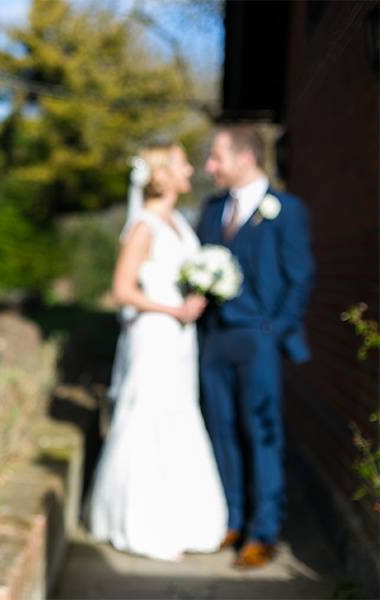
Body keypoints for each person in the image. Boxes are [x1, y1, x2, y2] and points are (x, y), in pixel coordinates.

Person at [87, 143, 228, 561]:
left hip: (180, 337)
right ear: (162, 175)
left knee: (179, 414)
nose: (190, 169)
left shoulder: (180, 223)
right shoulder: (144, 226)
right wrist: (173, 308)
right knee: (148, 416)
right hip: (155, 335)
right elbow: (122, 290)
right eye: (182, 163)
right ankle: (140, 520)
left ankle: (182, 518)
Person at [197, 126, 314, 568]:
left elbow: (300, 277)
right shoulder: (211, 210)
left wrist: (274, 329)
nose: (210, 167)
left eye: (216, 158)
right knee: (222, 429)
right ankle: (234, 518)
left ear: (245, 159)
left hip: (259, 340)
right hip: (215, 340)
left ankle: (264, 531)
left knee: (261, 433)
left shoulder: (286, 210)